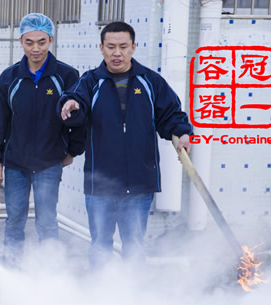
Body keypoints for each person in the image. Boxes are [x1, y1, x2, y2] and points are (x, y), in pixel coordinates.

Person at [58, 21, 193, 267]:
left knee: (134, 246)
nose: (117, 53)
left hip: (139, 182)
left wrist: (182, 133)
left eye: (123, 46)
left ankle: (134, 289)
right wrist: (71, 105)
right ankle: (101, 289)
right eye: (111, 47)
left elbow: (172, 115)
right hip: (100, 184)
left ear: (133, 47)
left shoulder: (150, 81)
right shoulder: (90, 81)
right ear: (101, 48)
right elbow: (75, 101)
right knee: (100, 246)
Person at [0, 13, 84, 264]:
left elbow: (80, 117)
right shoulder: (9, 78)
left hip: (49, 163)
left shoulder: (67, 76)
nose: (36, 48)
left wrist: (72, 151)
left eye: (42, 42)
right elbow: (1, 121)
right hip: (16, 163)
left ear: (51, 39)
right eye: (29, 42)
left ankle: (50, 271)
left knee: (47, 221)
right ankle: (12, 268)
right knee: (14, 221)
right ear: (21, 41)